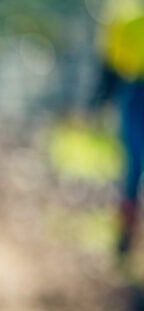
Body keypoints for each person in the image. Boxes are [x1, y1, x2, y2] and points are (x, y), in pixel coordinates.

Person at [99, 1, 144, 261]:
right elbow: (111, 65)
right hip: (135, 93)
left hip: (134, 94)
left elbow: (110, 67)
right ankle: (124, 240)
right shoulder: (125, 17)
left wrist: (101, 100)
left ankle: (124, 241)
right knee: (132, 171)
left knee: (132, 172)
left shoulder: (124, 17)